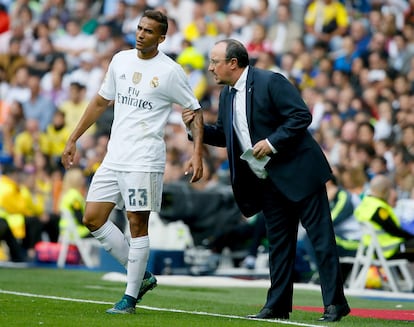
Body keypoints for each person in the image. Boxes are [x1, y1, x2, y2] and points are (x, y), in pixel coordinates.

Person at [182, 39, 350, 322]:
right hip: (268, 179)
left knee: (321, 241)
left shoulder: (270, 81)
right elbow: (225, 136)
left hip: (301, 174)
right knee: (279, 246)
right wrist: (195, 129)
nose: (210, 68)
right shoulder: (227, 95)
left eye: (214, 61)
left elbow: (301, 115)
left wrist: (272, 143)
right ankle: (277, 305)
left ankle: (335, 304)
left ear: (233, 63)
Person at [61, 10, 204, 315]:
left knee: (137, 225)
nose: (141, 34)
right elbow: (101, 100)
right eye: (139, 28)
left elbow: (195, 109)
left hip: (144, 159)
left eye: (149, 31)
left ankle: (129, 296)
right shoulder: (120, 60)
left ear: (161, 38)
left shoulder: (170, 71)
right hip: (114, 156)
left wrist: (197, 154)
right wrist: (73, 138)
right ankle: (142, 276)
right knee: (93, 218)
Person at [354, 174, 414, 261]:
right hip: (388, 250)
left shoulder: (366, 203)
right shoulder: (379, 209)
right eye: (391, 189)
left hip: (374, 250)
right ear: (385, 191)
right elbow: (394, 230)